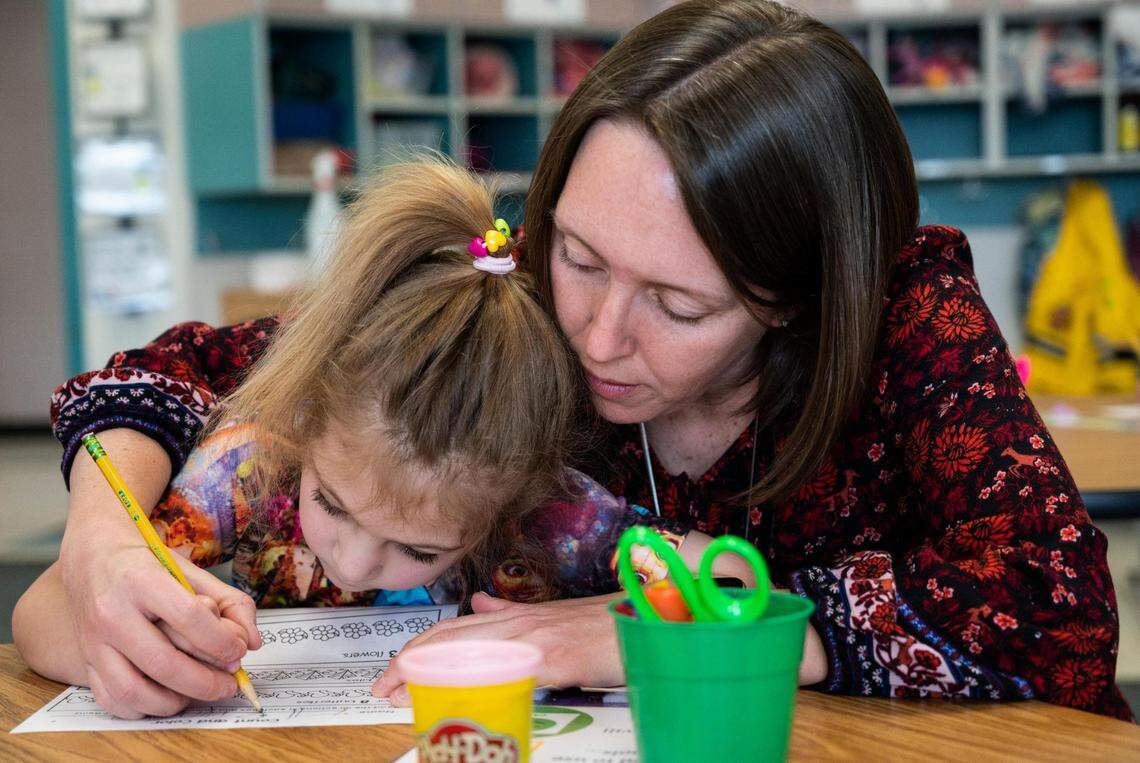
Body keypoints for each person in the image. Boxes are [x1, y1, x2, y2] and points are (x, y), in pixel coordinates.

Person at [42, 0, 1131, 719]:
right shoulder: (513, 299)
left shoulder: (904, 322)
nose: (597, 341)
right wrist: (102, 544)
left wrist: (645, 634)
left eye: (677, 303)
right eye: (579, 255)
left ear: (799, 300)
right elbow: (187, 372)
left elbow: (1056, 607)